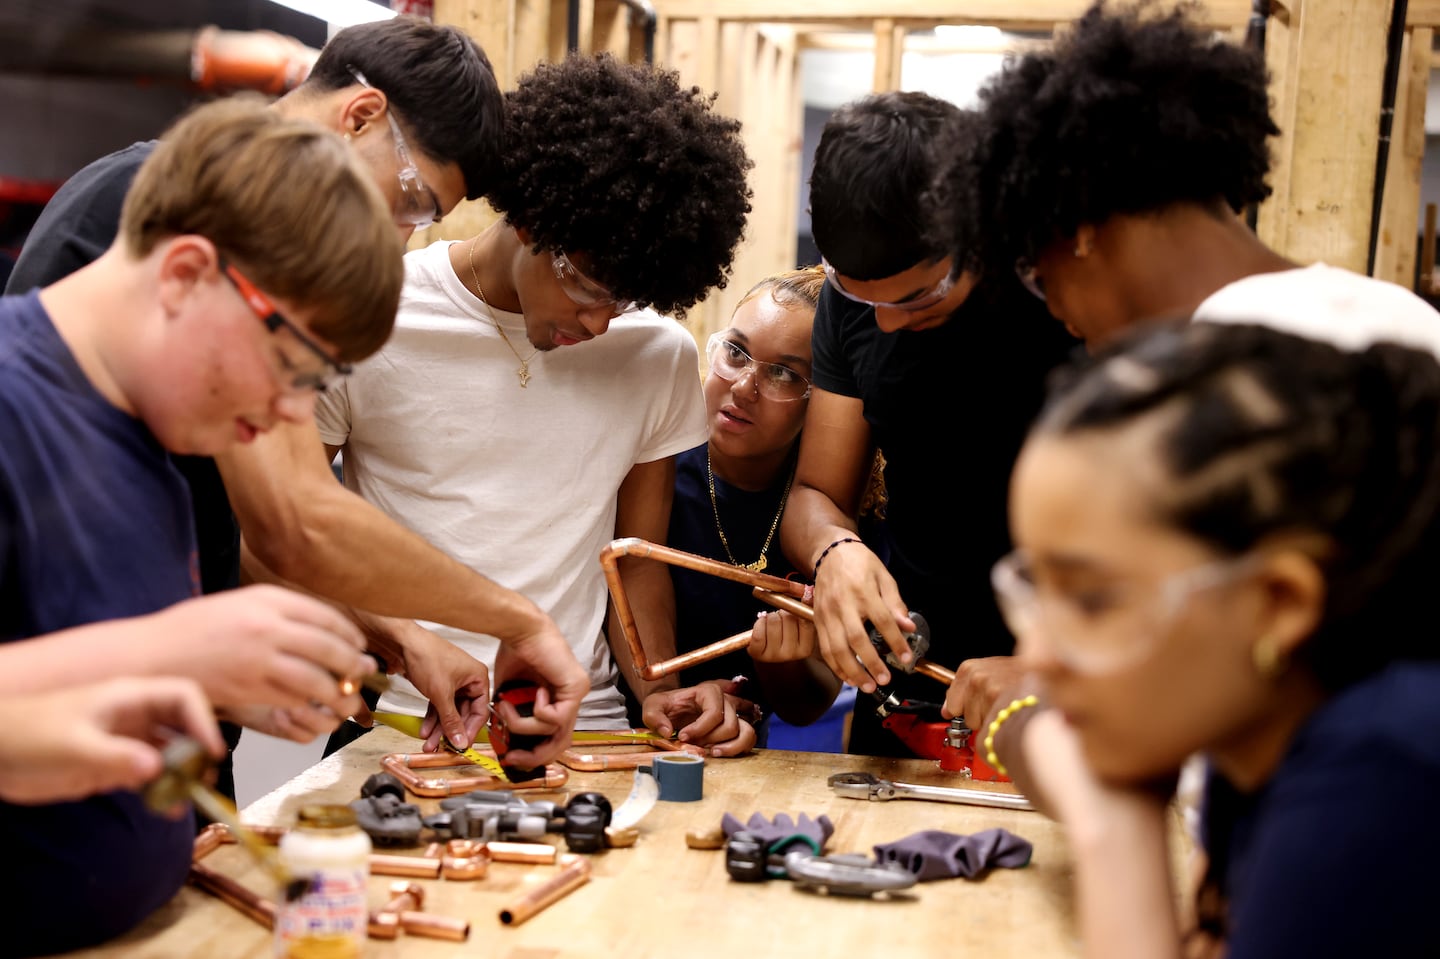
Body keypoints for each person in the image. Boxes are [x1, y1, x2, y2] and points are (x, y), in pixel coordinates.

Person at [6, 16, 590, 774]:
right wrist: (512, 617)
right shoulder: (194, 216)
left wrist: (398, 639)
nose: (402, 239)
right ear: (361, 115)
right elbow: (294, 516)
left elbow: (250, 525)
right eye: (412, 205)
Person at [0, 97, 396, 955]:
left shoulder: (159, 438)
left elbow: (59, 669)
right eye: (291, 366)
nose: (291, 412)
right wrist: (170, 651)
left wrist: (226, 683)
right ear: (184, 273)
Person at [315, 52, 752, 741]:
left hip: (588, 728)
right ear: (530, 221)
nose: (600, 322)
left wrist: (658, 687)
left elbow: (633, 563)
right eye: (586, 286)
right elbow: (290, 525)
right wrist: (395, 644)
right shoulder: (376, 316)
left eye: (626, 297)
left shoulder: (656, 354)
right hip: (405, 727)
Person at [985, 318, 1440, 958]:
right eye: (1035, 589)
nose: (1036, 655)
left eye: (1092, 599)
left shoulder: (1384, 780)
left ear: (1278, 603)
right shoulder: (1255, 736)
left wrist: (1110, 831)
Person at [780, 91, 1078, 758]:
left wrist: (1054, 664)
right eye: (860, 294)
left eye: (918, 296)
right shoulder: (852, 299)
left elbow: (1158, 534)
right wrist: (835, 551)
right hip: (912, 683)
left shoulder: (1066, 296)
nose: (884, 320)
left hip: (1069, 691)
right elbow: (815, 496)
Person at [942, 0, 1440, 354]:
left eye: (1040, 279)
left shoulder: (1227, 363)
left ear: (1081, 229)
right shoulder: (1396, 311)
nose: (1058, 316)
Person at [639, 265, 847, 754]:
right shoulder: (653, 467)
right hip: (625, 731)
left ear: (821, 403)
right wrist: (670, 699)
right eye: (736, 353)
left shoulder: (831, 515)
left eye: (782, 373)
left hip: (744, 755)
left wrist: (783, 663)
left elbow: (808, 705)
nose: (743, 386)